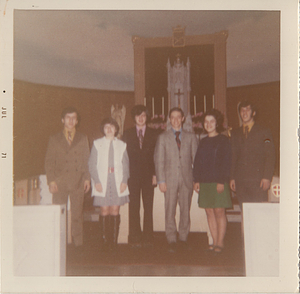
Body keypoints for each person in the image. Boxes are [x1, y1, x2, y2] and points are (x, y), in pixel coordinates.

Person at [45, 107, 91, 252]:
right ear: (62, 120)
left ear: (77, 121)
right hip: (60, 182)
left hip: (77, 181)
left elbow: (86, 160)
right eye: (68, 117)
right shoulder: (54, 138)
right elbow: (49, 161)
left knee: (77, 214)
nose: (71, 121)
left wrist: (87, 179)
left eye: (74, 118)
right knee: (59, 214)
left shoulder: (83, 138)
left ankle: (78, 244)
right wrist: (51, 181)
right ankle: (59, 243)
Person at [154, 107, 198, 253]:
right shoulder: (163, 137)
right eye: (172, 117)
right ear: (169, 119)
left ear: (183, 118)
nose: (175, 120)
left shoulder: (191, 136)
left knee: (185, 209)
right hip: (169, 179)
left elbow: (196, 160)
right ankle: (171, 238)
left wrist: (196, 179)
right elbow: (159, 160)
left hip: (187, 179)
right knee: (170, 209)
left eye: (178, 117)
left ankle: (183, 238)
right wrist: (161, 180)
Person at [193, 109, 232, 254]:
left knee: (219, 211)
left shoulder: (223, 140)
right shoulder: (203, 141)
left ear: (217, 123)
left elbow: (227, 162)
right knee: (209, 211)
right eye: (206, 121)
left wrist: (222, 181)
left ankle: (220, 242)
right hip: (205, 182)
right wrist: (196, 180)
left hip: (218, 182)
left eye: (212, 121)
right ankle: (214, 241)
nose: (208, 124)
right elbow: (197, 162)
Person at [88, 117, 130, 251]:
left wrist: (124, 181)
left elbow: (126, 165)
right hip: (102, 181)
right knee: (104, 210)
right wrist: (97, 181)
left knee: (115, 210)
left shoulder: (122, 145)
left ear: (116, 129)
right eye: (107, 127)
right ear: (103, 129)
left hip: (117, 181)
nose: (109, 129)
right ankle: (105, 242)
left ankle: (113, 242)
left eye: (112, 127)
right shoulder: (97, 143)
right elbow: (91, 165)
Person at [122, 105, 157, 248]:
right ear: (134, 118)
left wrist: (156, 174)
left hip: (149, 175)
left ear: (147, 117)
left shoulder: (155, 133)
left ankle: (148, 236)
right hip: (133, 176)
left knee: (148, 206)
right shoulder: (127, 134)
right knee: (134, 206)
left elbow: (157, 156)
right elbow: (123, 157)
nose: (141, 118)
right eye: (138, 116)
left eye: (143, 115)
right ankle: (135, 235)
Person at [230, 99, 275, 209]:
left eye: (247, 110)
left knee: (258, 212)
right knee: (244, 212)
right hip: (241, 181)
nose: (244, 113)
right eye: (242, 110)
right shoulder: (235, 133)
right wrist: (232, 177)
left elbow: (270, 155)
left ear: (253, 113)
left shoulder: (265, 131)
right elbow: (233, 156)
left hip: (258, 180)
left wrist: (266, 177)